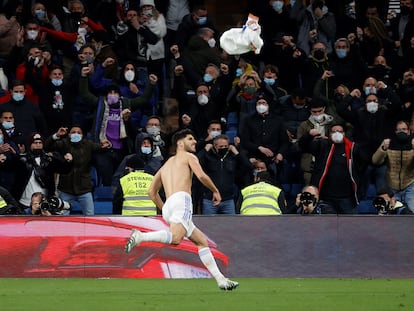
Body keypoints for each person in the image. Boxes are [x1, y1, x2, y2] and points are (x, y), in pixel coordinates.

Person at [125, 129, 238, 291]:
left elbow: (151, 192)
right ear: (180, 143)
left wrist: (165, 209)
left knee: (201, 242)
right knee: (176, 239)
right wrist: (215, 190)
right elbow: (202, 176)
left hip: (169, 205)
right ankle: (141, 236)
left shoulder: (166, 164)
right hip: (181, 201)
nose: (194, 142)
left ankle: (221, 280)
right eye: (190, 139)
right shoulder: (189, 157)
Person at [197, 134, 252, 215]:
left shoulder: (232, 157)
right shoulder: (208, 156)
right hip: (210, 200)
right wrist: (205, 150)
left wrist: (236, 152)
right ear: (215, 146)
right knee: (208, 226)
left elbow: (248, 166)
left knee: (230, 226)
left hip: (228, 200)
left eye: (226, 146)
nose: (223, 148)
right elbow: (195, 163)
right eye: (221, 146)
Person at [372, 120, 414, 213]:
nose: (401, 131)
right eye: (399, 130)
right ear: (395, 132)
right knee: (390, 215)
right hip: (391, 187)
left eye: (404, 129)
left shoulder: (413, 143)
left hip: (410, 185)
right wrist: (383, 148)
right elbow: (375, 161)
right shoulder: (389, 143)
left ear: (409, 131)